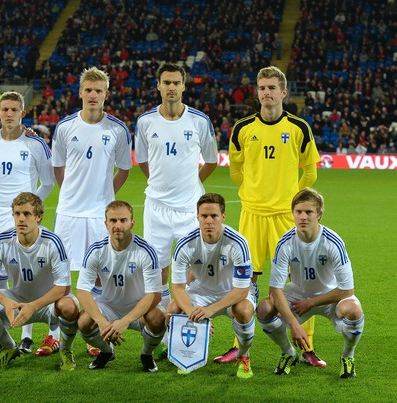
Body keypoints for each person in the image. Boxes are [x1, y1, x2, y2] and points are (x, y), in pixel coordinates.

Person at [221, 65, 322, 366]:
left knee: (299, 281)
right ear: (257, 91)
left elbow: (311, 172)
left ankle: (306, 346)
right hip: (251, 216)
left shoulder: (299, 128)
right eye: (262, 87)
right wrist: (254, 192)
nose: (266, 92)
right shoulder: (242, 129)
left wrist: (289, 200)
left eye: (271, 87)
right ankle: (237, 345)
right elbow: (236, 171)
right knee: (243, 282)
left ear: (283, 92)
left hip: (284, 219)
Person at [52, 66, 132, 357]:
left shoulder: (118, 129)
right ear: (80, 92)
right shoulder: (65, 127)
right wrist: (71, 194)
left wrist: (105, 195)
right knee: (61, 279)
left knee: (100, 277)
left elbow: (125, 168)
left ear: (106, 94)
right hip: (69, 214)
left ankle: (95, 332)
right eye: (88, 90)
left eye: (99, 91)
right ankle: (55, 338)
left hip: (100, 216)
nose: (93, 95)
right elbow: (58, 167)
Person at [135, 62, 218, 322]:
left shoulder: (199, 120)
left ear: (184, 86)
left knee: (195, 267)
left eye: (176, 83)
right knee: (157, 268)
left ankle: (183, 317)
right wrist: (160, 183)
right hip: (156, 209)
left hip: (188, 209)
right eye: (166, 82)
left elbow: (212, 160)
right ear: (158, 85)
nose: (171, 87)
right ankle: (161, 326)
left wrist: (192, 182)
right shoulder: (146, 121)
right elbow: (142, 160)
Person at [0, 91, 55, 354]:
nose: (9, 113)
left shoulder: (36, 144)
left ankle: (27, 333)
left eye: (14, 109)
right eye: (5, 109)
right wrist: (1, 207)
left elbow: (49, 182)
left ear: (23, 112)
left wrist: (29, 209)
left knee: (26, 279)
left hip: (23, 226)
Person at [256, 188, 364, 378]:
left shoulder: (333, 242)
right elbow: (275, 290)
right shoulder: (285, 243)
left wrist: (311, 302)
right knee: (264, 309)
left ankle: (348, 356)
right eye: (298, 212)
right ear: (293, 214)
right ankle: (288, 352)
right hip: (297, 295)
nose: (303, 217)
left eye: (309, 212)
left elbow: (347, 290)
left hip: (330, 296)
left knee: (354, 310)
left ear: (319, 215)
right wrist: (293, 324)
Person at [0, 192, 79, 371]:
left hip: (48, 303)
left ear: (38, 217)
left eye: (27, 214)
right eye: (17, 214)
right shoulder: (1, 241)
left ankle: (66, 350)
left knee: (69, 306)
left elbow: (64, 286)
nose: (21, 219)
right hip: (16, 299)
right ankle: (8, 346)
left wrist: (33, 306)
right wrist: (5, 301)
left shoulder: (53, 242)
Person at [168, 193, 255, 378]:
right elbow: (177, 288)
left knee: (245, 310)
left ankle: (244, 355)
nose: (209, 221)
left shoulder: (238, 243)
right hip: (203, 290)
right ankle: (187, 355)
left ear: (223, 216)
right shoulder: (185, 244)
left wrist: (210, 311)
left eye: (214, 216)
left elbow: (242, 290)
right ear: (197, 216)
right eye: (204, 216)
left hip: (233, 292)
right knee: (173, 309)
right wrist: (193, 311)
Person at [77, 200, 166, 372]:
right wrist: (102, 322)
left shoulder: (146, 251)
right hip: (109, 306)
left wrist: (125, 321)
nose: (118, 225)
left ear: (132, 222)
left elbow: (153, 295)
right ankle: (106, 351)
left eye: (123, 220)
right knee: (84, 321)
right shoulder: (96, 250)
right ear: (106, 223)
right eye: (113, 220)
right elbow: (82, 291)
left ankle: (147, 354)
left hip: (140, 307)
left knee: (158, 317)